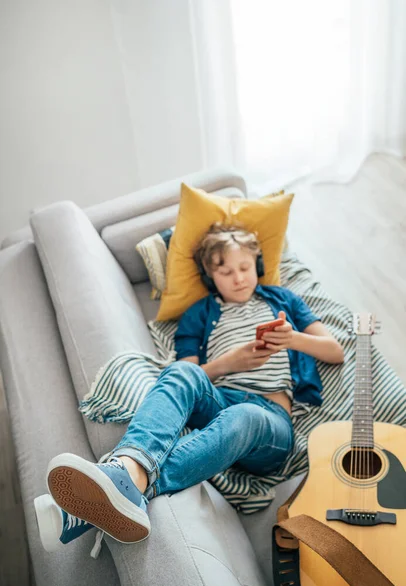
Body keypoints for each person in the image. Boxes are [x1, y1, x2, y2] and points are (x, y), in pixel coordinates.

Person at [42, 222, 344, 548]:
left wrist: (293, 338)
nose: (239, 278)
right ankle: (125, 473)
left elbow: (335, 352)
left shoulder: (283, 299)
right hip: (220, 398)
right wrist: (231, 362)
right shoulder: (198, 314)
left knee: (244, 415)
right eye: (226, 271)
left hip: (270, 421)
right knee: (180, 374)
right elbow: (186, 375)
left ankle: (126, 486)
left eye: (244, 268)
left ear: (257, 265)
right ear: (209, 276)